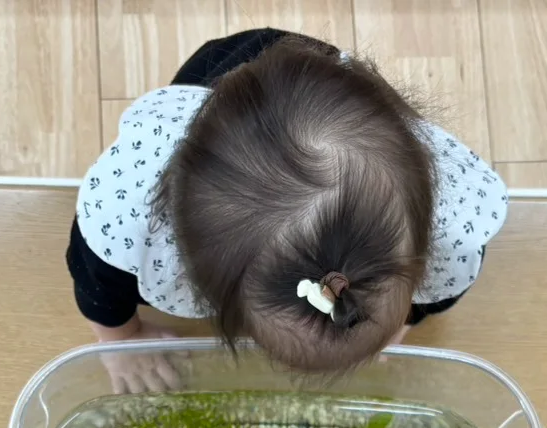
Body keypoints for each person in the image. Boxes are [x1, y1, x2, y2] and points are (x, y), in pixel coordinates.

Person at [68, 28, 508, 391]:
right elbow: (95, 280)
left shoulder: (451, 227)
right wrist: (120, 340)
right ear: (208, 288)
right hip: (218, 78)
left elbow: (439, 291)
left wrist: (405, 319)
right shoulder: (129, 215)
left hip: (336, 100)